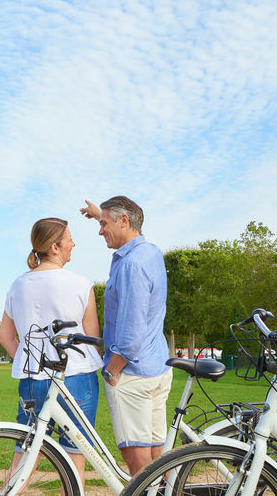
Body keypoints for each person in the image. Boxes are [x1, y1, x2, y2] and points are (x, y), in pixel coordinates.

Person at [0, 217, 102, 487]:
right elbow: (92, 339)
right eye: (69, 239)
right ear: (55, 247)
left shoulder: (17, 285)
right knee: (74, 461)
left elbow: (5, 337)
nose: (73, 243)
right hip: (77, 377)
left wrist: (30, 358)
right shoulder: (81, 284)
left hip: (32, 380)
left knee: (24, 456)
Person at [80, 196, 172, 476]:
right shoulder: (150, 252)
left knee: (139, 465)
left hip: (131, 375)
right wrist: (100, 214)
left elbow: (132, 330)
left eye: (104, 224)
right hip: (156, 369)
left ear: (124, 221)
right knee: (159, 457)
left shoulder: (131, 265)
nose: (100, 230)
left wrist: (111, 370)